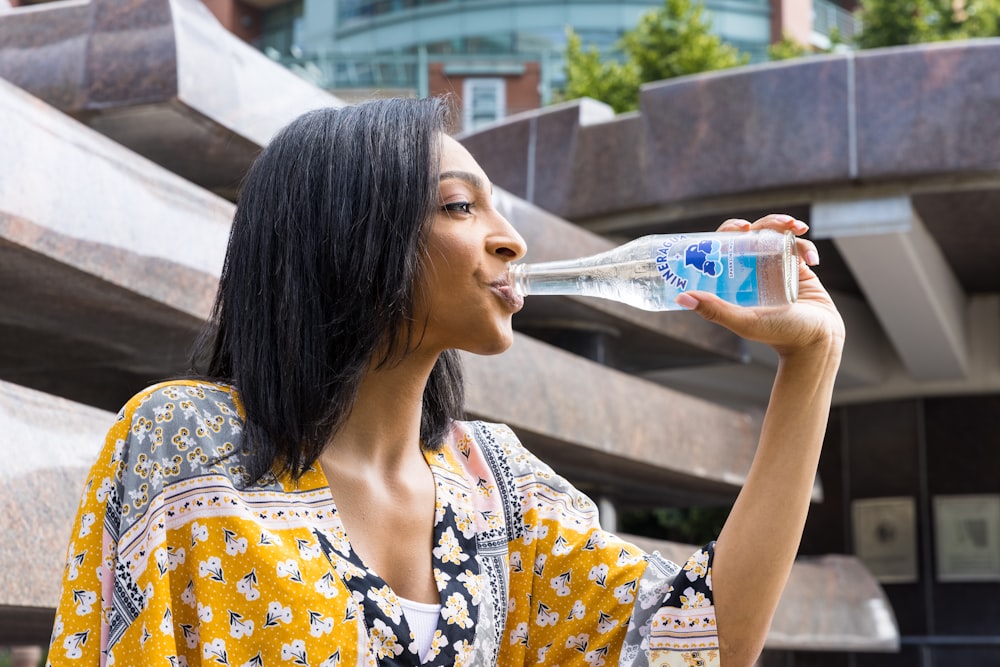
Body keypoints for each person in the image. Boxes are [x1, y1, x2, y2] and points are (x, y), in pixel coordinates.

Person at [46, 97, 844, 667]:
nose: (510, 241)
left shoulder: (499, 485)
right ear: (350, 235)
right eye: (461, 207)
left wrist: (812, 364)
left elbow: (701, 643)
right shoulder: (187, 445)